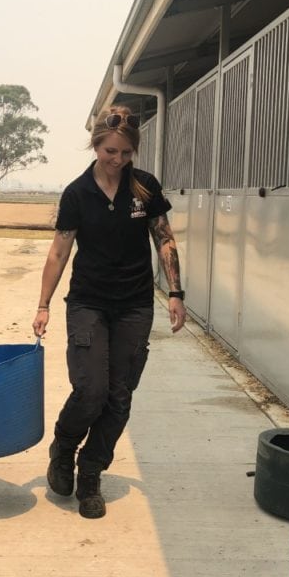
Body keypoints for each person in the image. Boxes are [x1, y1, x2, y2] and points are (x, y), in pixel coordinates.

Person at [32, 105, 186, 519]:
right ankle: (64, 447)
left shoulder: (144, 187)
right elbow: (60, 249)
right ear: (96, 145)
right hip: (88, 303)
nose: (117, 160)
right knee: (91, 389)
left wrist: (175, 291)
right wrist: (44, 304)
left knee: (120, 397)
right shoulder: (78, 193)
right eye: (109, 151)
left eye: (125, 153)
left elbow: (164, 240)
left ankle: (91, 473)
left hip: (135, 305)